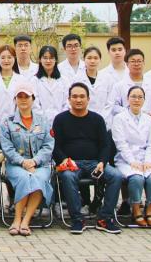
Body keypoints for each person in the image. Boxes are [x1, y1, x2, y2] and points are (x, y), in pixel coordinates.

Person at [51, 82, 122, 235]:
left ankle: (105, 218)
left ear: (88, 99)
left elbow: (105, 145)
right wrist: (63, 159)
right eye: (75, 96)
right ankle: (77, 219)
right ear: (69, 99)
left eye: (82, 96)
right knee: (68, 177)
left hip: (94, 163)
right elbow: (55, 146)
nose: (78, 100)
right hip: (71, 164)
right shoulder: (60, 119)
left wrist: (102, 162)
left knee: (116, 176)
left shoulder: (97, 119)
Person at [0, 81, 53, 236]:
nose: (23, 99)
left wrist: (34, 161)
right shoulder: (7, 122)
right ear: (15, 99)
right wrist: (23, 162)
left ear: (33, 99)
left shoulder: (43, 121)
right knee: (24, 178)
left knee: (38, 178)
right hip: (16, 165)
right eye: (19, 96)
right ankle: (16, 219)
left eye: (26, 96)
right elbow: (7, 148)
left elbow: (48, 145)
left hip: (39, 164)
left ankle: (25, 221)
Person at [111, 85, 151, 227]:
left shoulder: (149, 120)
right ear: (127, 99)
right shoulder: (119, 118)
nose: (136, 100)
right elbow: (120, 143)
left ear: (144, 100)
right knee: (136, 178)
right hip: (125, 160)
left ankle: (150, 211)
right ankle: (136, 211)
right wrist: (132, 161)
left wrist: (148, 161)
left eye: (140, 97)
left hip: (146, 159)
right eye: (133, 96)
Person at [106, 48, 151, 125]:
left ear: (144, 63)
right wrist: (130, 112)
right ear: (127, 64)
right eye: (133, 61)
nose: (136, 64)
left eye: (139, 61)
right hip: (126, 123)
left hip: (148, 122)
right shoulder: (119, 85)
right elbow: (114, 106)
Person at [0, 44, 22, 133]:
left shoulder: (21, 80)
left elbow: (22, 104)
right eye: (2, 57)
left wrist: (16, 124)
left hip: (16, 127)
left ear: (15, 58)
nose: (6, 60)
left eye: (9, 57)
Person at [33, 46, 66, 122]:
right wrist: (44, 120)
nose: (48, 61)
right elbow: (34, 104)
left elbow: (67, 102)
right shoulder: (34, 80)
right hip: (41, 122)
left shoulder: (64, 80)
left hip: (61, 121)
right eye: (45, 58)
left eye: (51, 58)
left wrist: (60, 118)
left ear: (56, 60)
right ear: (40, 60)